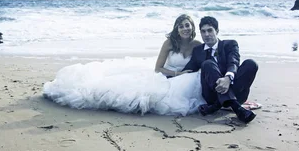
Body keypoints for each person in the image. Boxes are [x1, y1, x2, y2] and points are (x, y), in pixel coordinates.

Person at [43, 14, 206, 115]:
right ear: (176, 29)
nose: (184, 28)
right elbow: (158, 69)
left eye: (187, 25)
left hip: (185, 81)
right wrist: (177, 75)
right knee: (135, 96)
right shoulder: (169, 43)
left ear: (192, 27)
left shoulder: (197, 44)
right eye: (181, 26)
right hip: (166, 77)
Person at [182, 16, 258, 123]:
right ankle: (237, 108)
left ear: (217, 31)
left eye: (210, 30)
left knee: (251, 64)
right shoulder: (198, 51)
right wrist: (170, 75)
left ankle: (216, 106)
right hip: (211, 95)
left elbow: (234, 62)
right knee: (207, 63)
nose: (206, 34)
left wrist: (228, 78)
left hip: (237, 93)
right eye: (203, 31)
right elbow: (188, 70)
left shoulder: (230, 44)